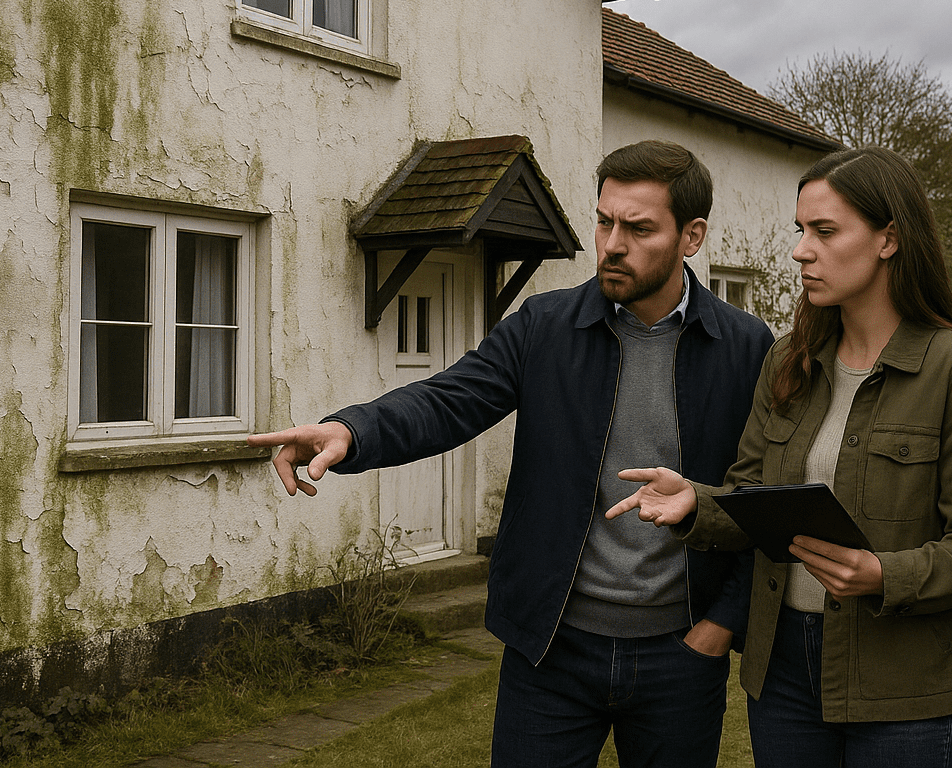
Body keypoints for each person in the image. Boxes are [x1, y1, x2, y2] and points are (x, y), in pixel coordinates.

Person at [247, 139, 774, 768]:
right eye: (604, 220)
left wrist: (720, 626)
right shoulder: (545, 326)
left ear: (692, 236)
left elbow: (757, 499)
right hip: (551, 647)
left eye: (638, 228)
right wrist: (352, 431)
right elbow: (448, 401)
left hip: (680, 653)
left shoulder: (745, 348)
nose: (611, 243)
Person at [607, 145, 952, 768]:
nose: (801, 249)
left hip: (904, 682)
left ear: (889, 239)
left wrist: (883, 574)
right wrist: (699, 501)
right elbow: (753, 495)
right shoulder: (789, 360)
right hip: (786, 672)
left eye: (824, 231)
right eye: (801, 230)